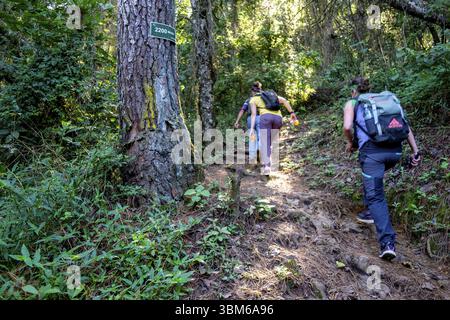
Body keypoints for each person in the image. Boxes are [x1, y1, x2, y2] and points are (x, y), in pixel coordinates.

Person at [343, 77, 421, 261]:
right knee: (372, 181)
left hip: (373, 154)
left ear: (353, 91)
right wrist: (416, 152)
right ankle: (370, 210)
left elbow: (347, 126)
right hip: (395, 152)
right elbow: (406, 126)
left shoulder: (353, 102)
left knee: (376, 195)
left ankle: (388, 243)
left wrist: (350, 142)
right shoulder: (383, 101)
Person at [249, 84, 297, 175]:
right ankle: (269, 162)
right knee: (270, 142)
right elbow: (285, 101)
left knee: (265, 142)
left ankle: (267, 166)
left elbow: (254, 115)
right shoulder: (272, 95)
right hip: (278, 119)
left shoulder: (253, 99)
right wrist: (292, 113)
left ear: (253, 92)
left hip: (266, 119)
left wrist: (251, 128)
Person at [234, 82, 262, 164]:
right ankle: (260, 152)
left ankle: (252, 158)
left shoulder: (248, 100)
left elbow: (242, 110)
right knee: (261, 136)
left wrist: (237, 121)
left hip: (251, 119)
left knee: (252, 137)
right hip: (261, 118)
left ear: (252, 91)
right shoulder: (264, 98)